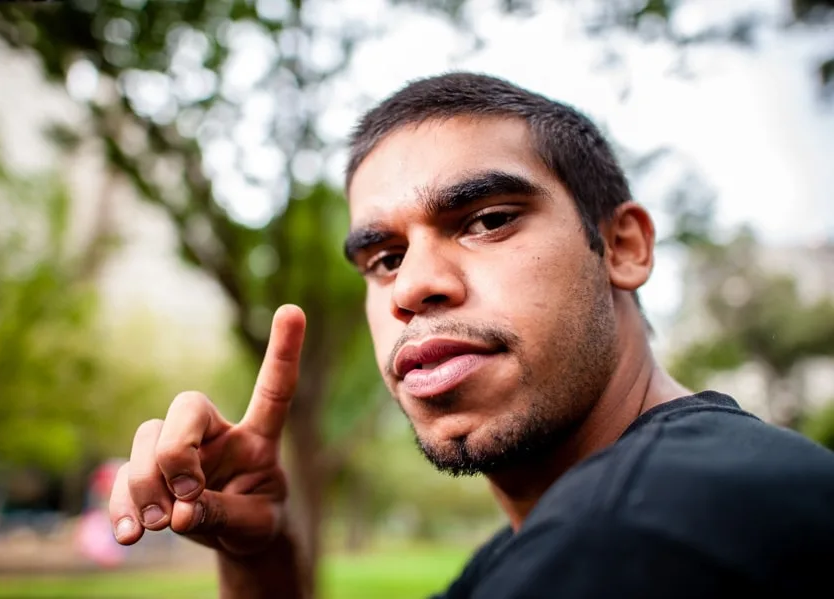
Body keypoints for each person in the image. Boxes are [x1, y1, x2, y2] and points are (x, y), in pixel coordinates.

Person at [108, 72, 834, 598]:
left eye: (487, 220)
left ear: (622, 247)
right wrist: (263, 553)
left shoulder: (638, 534)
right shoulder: (560, 533)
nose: (414, 287)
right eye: (384, 258)